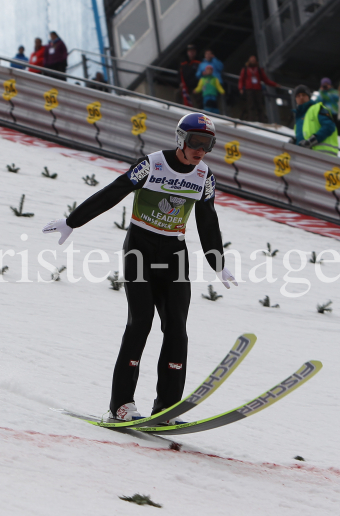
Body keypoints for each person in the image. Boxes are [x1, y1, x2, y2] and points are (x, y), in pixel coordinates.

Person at [41, 113, 234, 423]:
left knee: (177, 331)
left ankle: (167, 407)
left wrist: (218, 262)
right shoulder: (153, 164)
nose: (201, 150)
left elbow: (208, 221)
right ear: (180, 139)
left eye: (207, 144)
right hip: (140, 249)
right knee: (140, 322)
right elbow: (114, 191)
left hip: (174, 254)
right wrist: (72, 221)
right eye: (196, 142)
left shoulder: (204, 177)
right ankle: (121, 405)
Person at [292, 85, 338, 156]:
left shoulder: (317, 108)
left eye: (303, 95)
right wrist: (295, 141)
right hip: (306, 157)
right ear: (295, 99)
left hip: (323, 155)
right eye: (298, 95)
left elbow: (329, 126)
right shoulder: (298, 117)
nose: (301, 97)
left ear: (308, 97)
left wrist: (312, 141)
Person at [237, 55, 277, 122]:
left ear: (256, 61)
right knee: (251, 106)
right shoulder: (245, 69)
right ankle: (251, 120)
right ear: (249, 61)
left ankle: (261, 120)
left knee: (260, 106)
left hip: (258, 89)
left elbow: (265, 80)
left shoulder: (259, 70)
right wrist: (240, 88)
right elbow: (241, 79)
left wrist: (274, 84)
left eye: (254, 60)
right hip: (249, 89)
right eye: (251, 60)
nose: (252, 61)